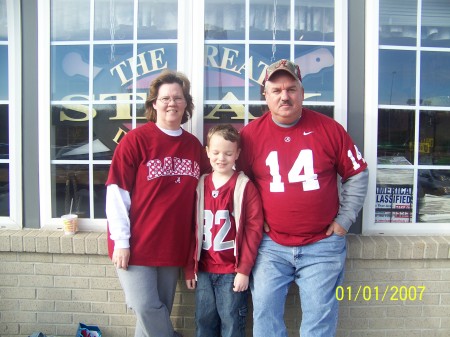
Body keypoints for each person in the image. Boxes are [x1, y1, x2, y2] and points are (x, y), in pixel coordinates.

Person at [236, 59, 369, 337]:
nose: (284, 96)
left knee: (319, 322)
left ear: (302, 92)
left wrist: (345, 220)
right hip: (270, 247)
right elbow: (238, 184)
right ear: (266, 95)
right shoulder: (250, 135)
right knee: (265, 317)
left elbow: (357, 173)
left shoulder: (330, 129)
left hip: (322, 245)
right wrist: (253, 221)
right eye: (276, 90)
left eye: (291, 89)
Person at [105, 69, 208, 337]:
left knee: (153, 316)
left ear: (186, 104)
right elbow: (117, 193)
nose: (171, 103)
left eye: (178, 97)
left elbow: (207, 190)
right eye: (165, 98)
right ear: (154, 104)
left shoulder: (194, 147)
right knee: (146, 306)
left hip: (172, 244)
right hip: (137, 245)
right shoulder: (135, 141)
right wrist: (121, 242)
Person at [184, 124, 264, 337]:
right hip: (203, 269)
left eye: (228, 153)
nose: (221, 158)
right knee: (204, 322)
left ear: (237, 153)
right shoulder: (200, 184)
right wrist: (189, 267)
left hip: (231, 271)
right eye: (216, 152)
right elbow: (192, 229)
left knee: (232, 324)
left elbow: (253, 231)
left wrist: (244, 270)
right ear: (207, 151)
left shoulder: (245, 186)